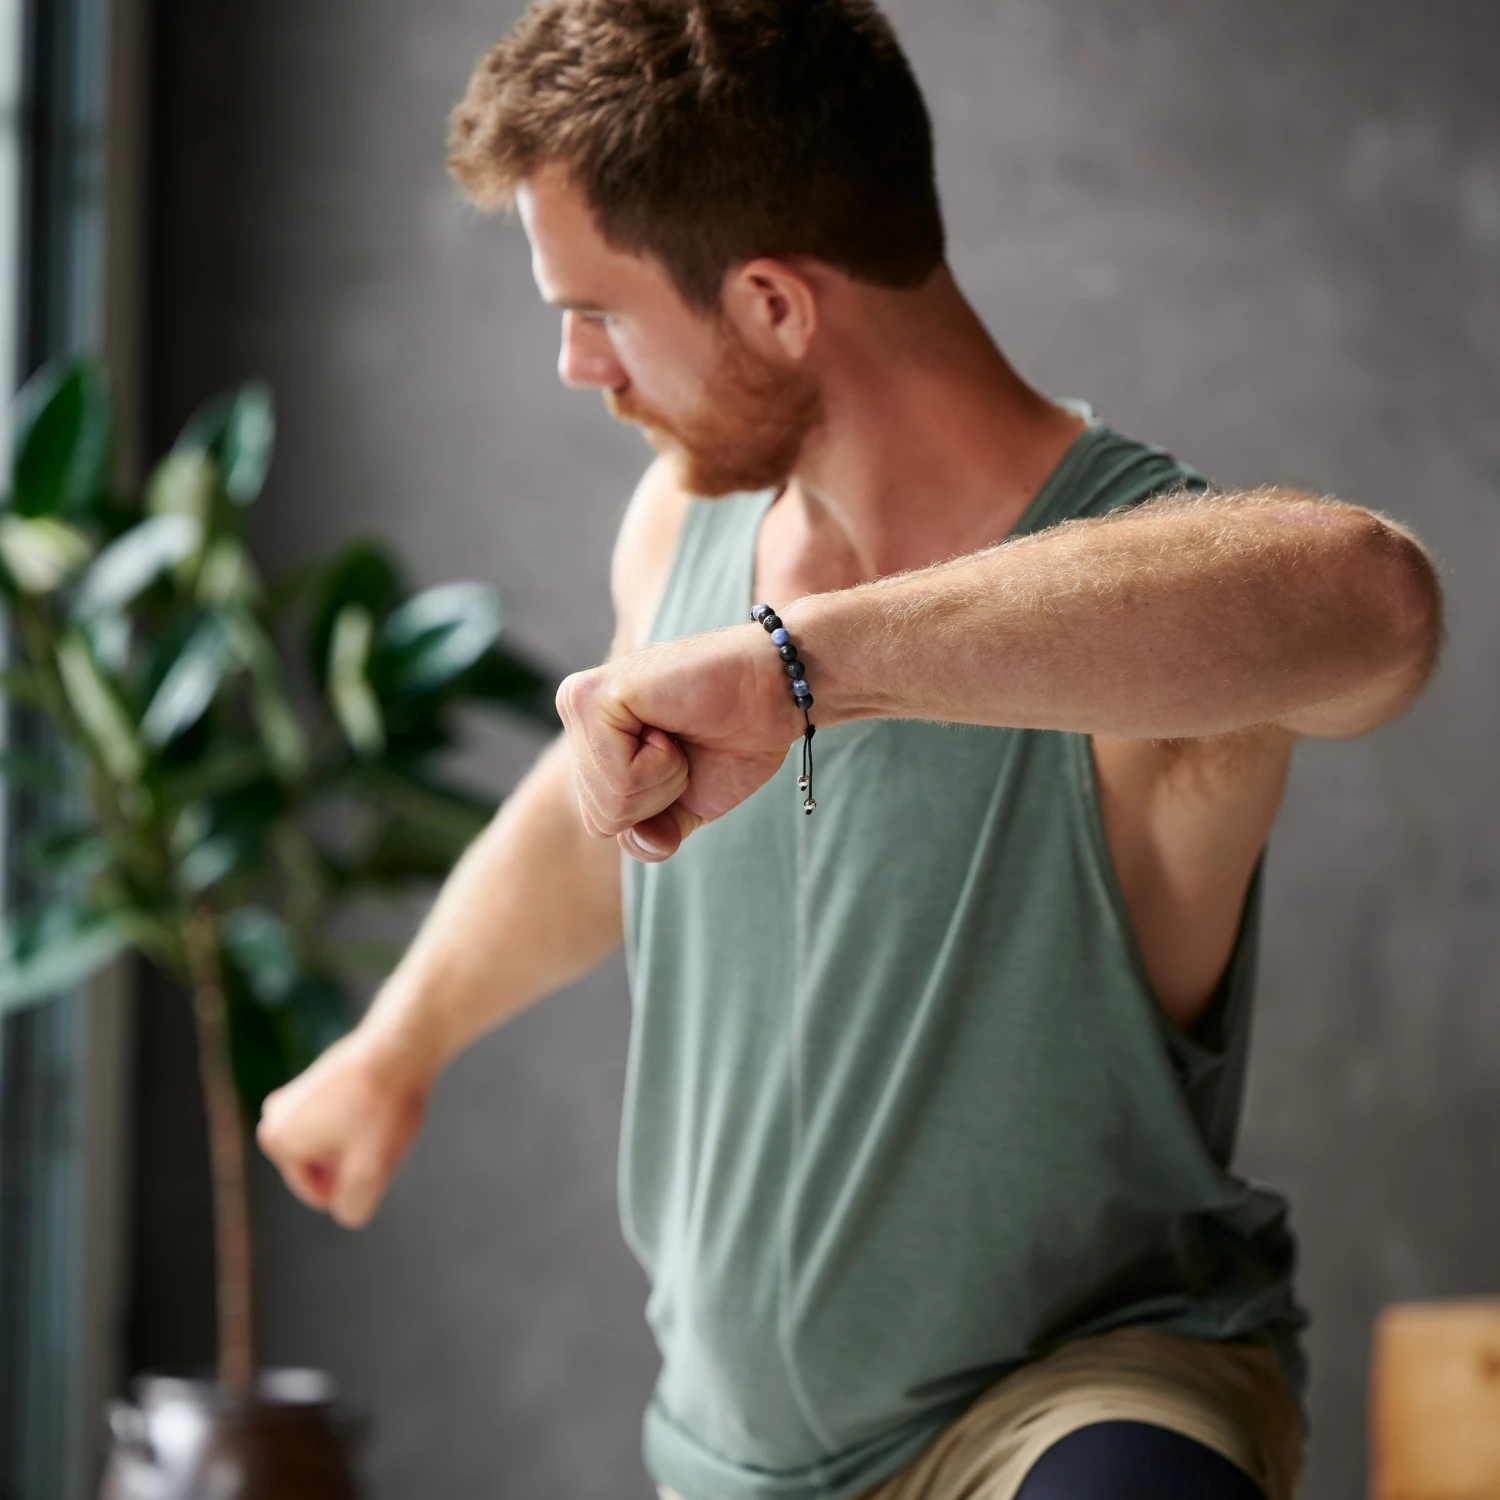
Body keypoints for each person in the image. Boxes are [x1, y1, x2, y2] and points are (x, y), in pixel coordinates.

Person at [256, 4, 1443, 1498]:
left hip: (1065, 1406)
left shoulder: (1141, 607)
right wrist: (394, 1048)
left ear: (772, 304)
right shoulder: (684, 527)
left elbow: (1377, 604)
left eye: (599, 311)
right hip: (729, 1456)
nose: (576, 365)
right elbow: (596, 823)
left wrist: (808, 666)